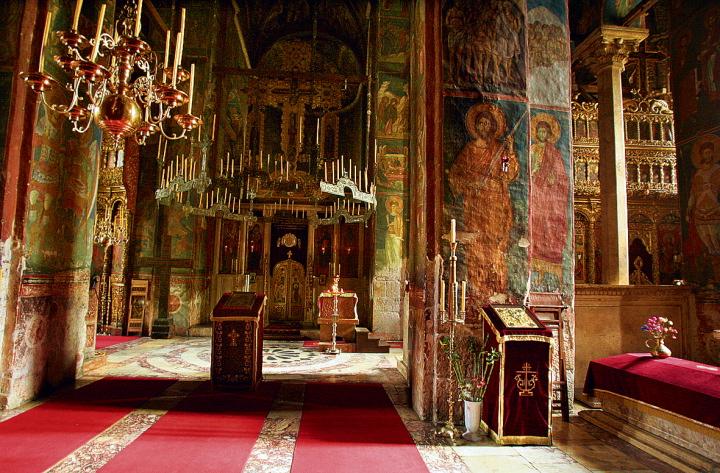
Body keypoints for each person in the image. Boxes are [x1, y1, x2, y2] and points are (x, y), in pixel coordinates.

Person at [448, 103, 518, 301]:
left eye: (487, 123)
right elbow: (455, 175)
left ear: (493, 126)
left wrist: (509, 151)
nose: (484, 126)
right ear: (476, 126)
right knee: (477, 244)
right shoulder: (469, 150)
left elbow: (507, 173)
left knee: (495, 243)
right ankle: (477, 289)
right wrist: (471, 183)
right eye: (481, 123)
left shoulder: (499, 149)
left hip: (496, 203)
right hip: (476, 203)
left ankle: (496, 288)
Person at [529, 115, 569, 284]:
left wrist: (554, 178)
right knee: (537, 226)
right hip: (536, 193)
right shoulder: (532, 149)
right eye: (540, 131)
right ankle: (536, 265)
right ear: (536, 132)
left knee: (549, 227)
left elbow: (561, 175)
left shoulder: (554, 152)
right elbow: (528, 170)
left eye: (545, 131)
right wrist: (534, 172)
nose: (542, 134)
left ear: (549, 134)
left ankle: (549, 258)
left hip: (549, 196)